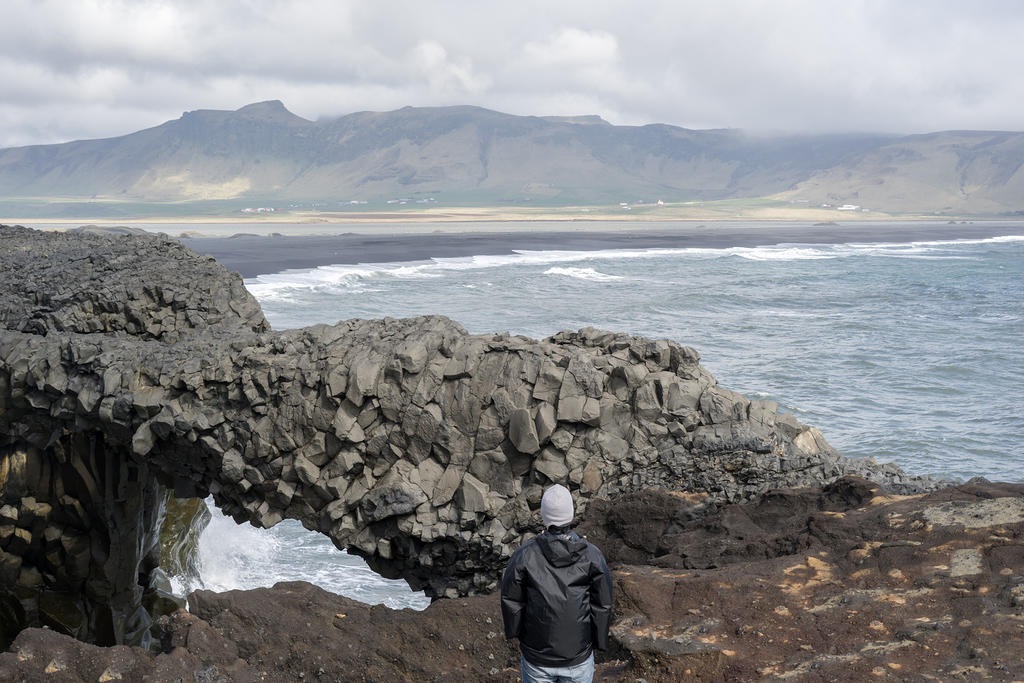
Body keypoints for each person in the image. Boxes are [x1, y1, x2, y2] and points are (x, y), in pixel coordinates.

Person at [500, 484, 613, 683]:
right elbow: (602, 604)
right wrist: (599, 642)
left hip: (537, 657)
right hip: (577, 656)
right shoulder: (592, 554)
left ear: (544, 517)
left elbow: (511, 600)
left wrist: (516, 634)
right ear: (570, 515)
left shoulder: (524, 554)